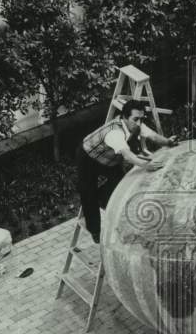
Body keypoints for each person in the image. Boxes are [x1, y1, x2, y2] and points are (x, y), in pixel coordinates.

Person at [75, 99, 178, 243]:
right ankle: (95, 231)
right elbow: (128, 156)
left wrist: (168, 142)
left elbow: (154, 136)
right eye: (135, 119)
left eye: (141, 119)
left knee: (120, 184)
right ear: (124, 117)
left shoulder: (137, 124)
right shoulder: (115, 133)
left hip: (109, 157)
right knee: (88, 192)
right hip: (88, 156)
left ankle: (102, 198)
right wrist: (146, 165)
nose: (139, 123)